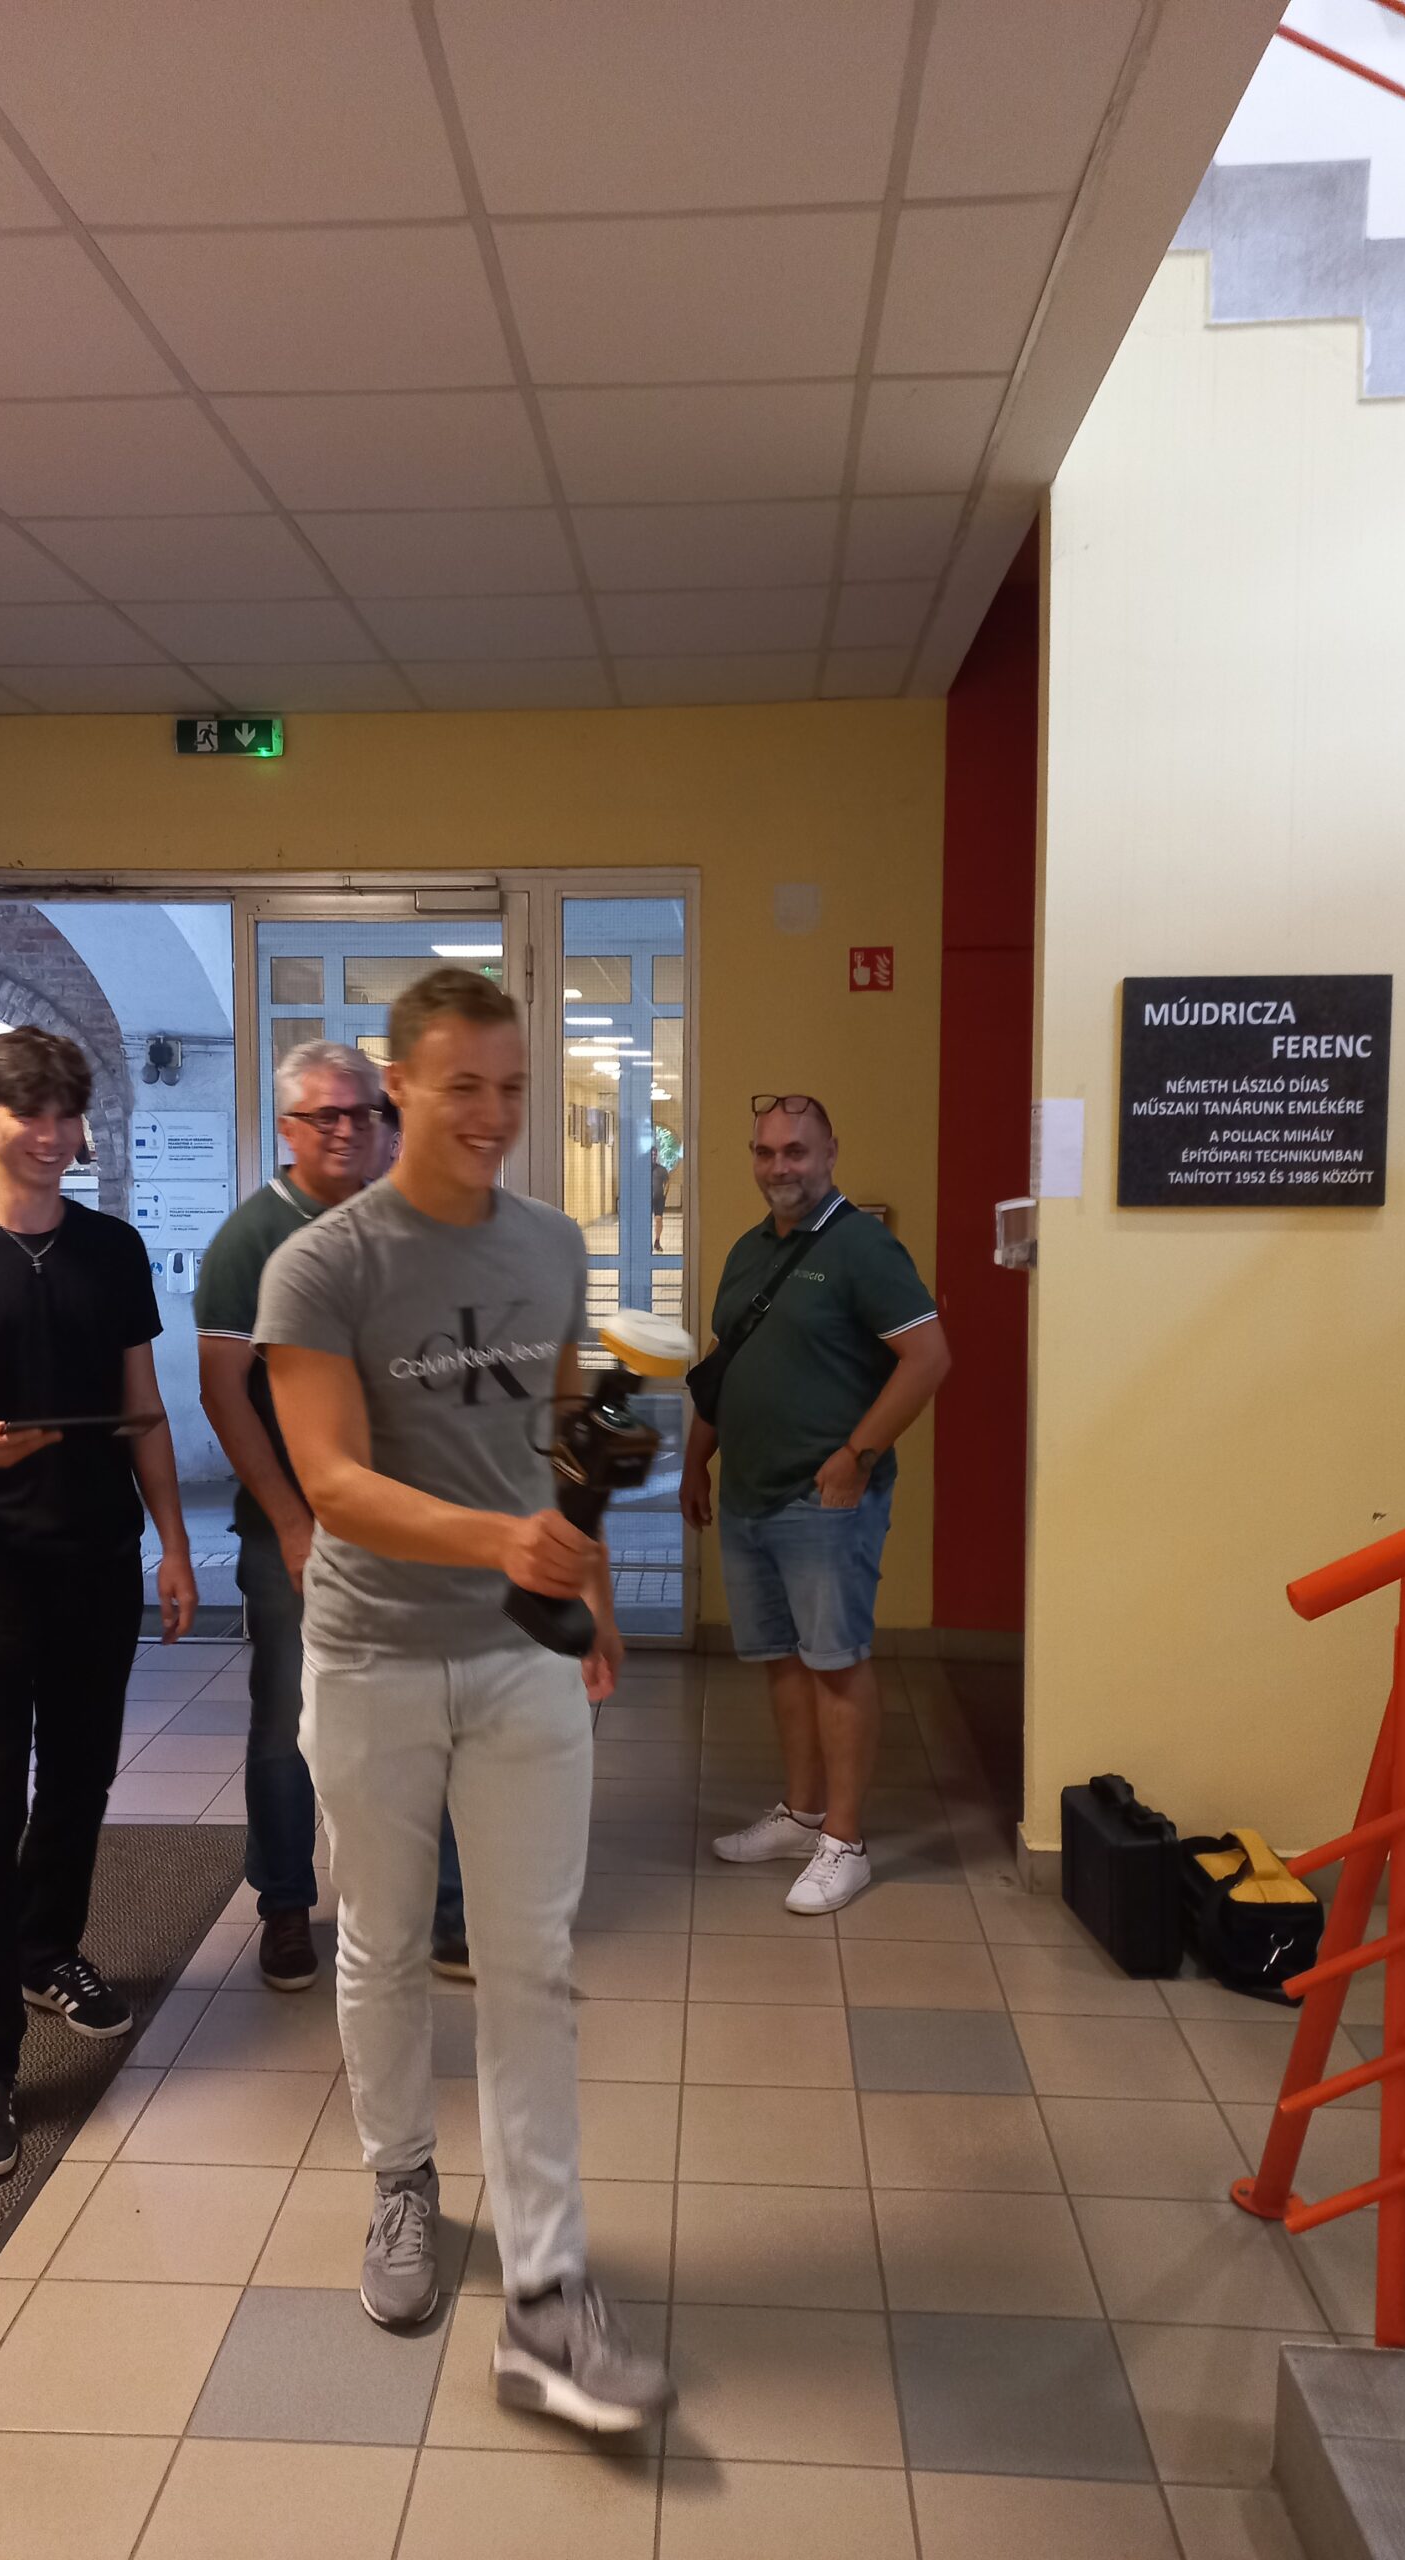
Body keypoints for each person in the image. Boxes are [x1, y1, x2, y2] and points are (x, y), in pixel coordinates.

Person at [256, 966, 673, 2433]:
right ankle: (400, 2184)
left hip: (519, 1658)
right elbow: (331, 1480)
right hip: (372, 1654)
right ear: (399, 1089)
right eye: (463, 1088)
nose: (492, 1114)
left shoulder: (551, 1243)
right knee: (378, 1943)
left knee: (530, 1962)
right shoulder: (322, 1266)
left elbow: (555, 1426)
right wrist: (502, 1541)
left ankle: (548, 2287)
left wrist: (587, 1588)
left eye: (511, 1088)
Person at [0, 1028, 198, 2182]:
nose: (51, 1135)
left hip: (97, 1554)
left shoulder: (111, 1247)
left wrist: (172, 1543)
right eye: (29, 1114)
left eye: (65, 1114)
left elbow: (142, 1403)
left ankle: (47, 1948)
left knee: (81, 1778)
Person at [196, 1041, 466, 1993]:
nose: (348, 1130)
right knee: (291, 1723)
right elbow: (223, 1392)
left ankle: (444, 1910)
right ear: (288, 1127)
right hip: (299, 1531)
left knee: (428, 1715)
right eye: (326, 1116)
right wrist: (290, 1521)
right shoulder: (252, 1239)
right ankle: (283, 1904)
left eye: (363, 1113)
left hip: (410, 1524)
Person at [682, 1095, 948, 1915]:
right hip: (750, 1494)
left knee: (835, 1664)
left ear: (830, 1151)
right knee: (783, 1661)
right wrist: (695, 1461)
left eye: (795, 1151)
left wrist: (855, 1456)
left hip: (823, 1500)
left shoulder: (863, 1247)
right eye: (765, 1152)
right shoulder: (748, 1250)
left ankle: (845, 1842)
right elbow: (725, 1364)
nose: (779, 1167)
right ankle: (800, 1816)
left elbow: (927, 1358)